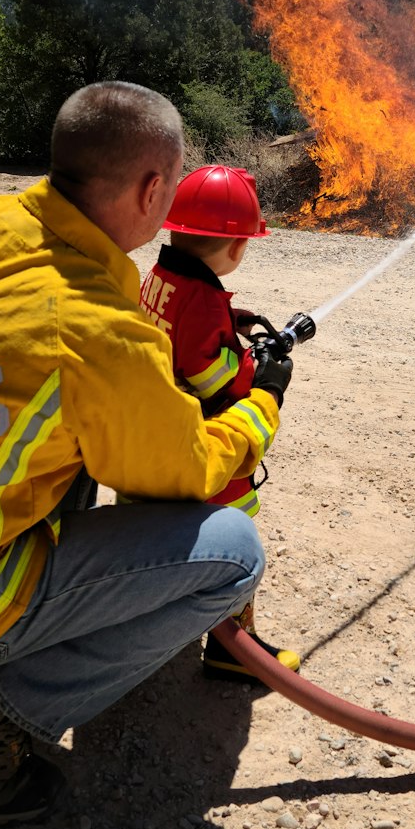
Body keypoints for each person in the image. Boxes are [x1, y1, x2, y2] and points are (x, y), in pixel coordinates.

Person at [0, 82, 293, 826]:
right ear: (151, 189)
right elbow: (190, 467)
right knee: (234, 552)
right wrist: (263, 401)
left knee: (72, 441)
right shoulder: (88, 329)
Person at [138, 164, 299, 681]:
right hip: (205, 444)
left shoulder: (161, 278)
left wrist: (228, 324)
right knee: (233, 538)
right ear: (235, 249)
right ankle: (234, 648)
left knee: (159, 540)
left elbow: (176, 333)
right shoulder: (204, 299)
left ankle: (155, 626)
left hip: (153, 438)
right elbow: (214, 377)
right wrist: (260, 370)